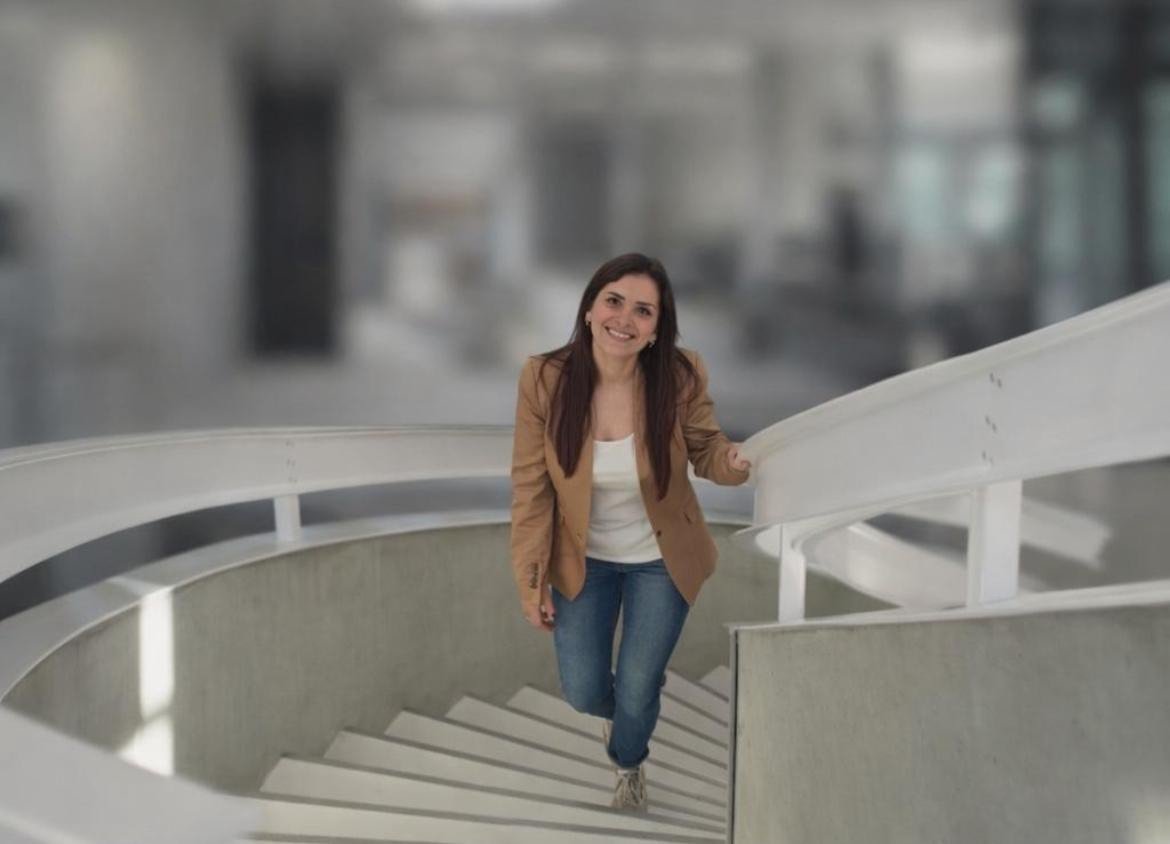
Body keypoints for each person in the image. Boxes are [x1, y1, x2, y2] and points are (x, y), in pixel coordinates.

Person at [509, 252, 751, 811]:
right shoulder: (544, 378)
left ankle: (629, 761)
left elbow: (706, 449)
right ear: (590, 309)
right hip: (582, 560)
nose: (626, 318)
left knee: (640, 686)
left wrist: (732, 461)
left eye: (645, 311)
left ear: (655, 329)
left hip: (660, 563)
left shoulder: (680, 374)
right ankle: (626, 726)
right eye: (614, 301)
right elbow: (529, 487)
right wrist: (530, 579)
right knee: (585, 690)